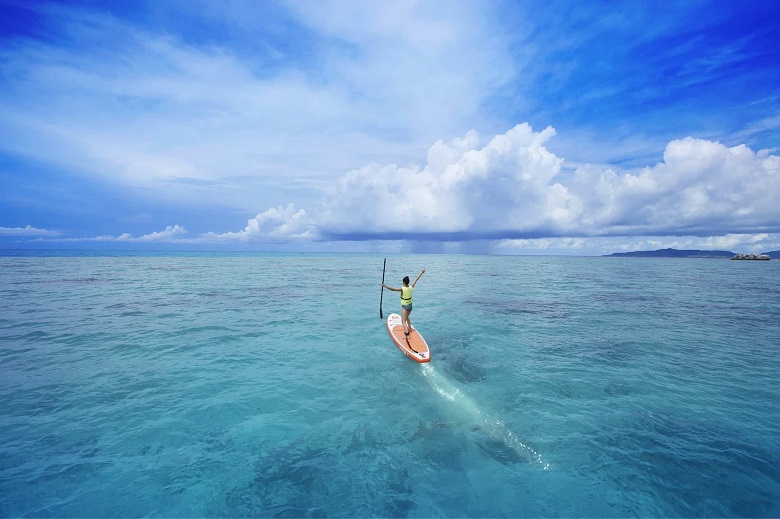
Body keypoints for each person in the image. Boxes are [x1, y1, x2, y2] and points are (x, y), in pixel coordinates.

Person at [382, 269, 425, 337]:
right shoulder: (411, 286)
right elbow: (416, 279)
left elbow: (392, 289)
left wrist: (384, 286)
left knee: (403, 321)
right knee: (407, 317)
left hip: (405, 306)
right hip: (410, 306)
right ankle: (410, 328)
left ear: (403, 282)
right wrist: (421, 273)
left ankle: (407, 333)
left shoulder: (402, 289)